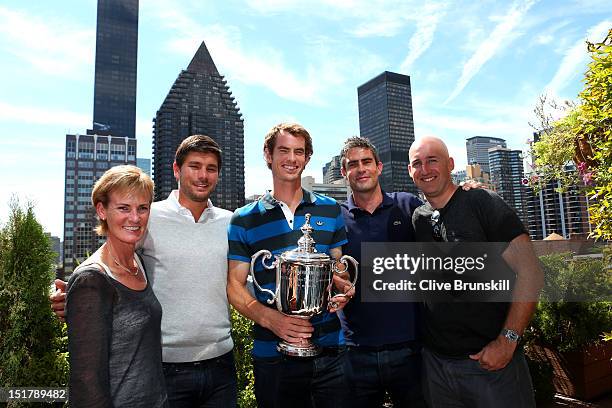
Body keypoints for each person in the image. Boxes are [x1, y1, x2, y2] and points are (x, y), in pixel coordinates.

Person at [52, 135, 237, 407]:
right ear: (176, 169)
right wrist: (74, 292)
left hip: (222, 365)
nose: (203, 175)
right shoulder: (150, 216)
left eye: (211, 168)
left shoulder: (229, 222)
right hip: (163, 367)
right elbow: (108, 262)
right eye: (194, 166)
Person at [408, 136, 544, 408]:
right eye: (417, 164)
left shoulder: (481, 202)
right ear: (410, 172)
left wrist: (508, 341)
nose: (425, 169)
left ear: (450, 164)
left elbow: (531, 271)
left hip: (490, 366)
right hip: (436, 366)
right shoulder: (419, 218)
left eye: (432, 160)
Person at [226, 122, 353, 408]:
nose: (292, 159)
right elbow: (234, 285)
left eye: (299, 152)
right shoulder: (244, 219)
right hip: (273, 355)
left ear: (307, 158)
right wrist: (273, 320)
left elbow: (338, 267)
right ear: (268, 155)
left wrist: (343, 288)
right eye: (283, 150)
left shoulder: (330, 209)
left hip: (332, 351)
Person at [66, 165, 168, 407]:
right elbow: (86, 384)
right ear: (102, 210)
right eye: (124, 208)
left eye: (142, 208)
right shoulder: (92, 281)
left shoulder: (139, 263)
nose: (135, 218)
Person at [337, 137, 425, 407]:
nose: (361, 169)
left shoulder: (408, 205)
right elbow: (332, 269)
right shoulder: (335, 218)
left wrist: (465, 190)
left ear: (379, 167)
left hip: (411, 347)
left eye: (366, 162)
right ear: (344, 172)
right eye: (353, 164)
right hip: (356, 350)